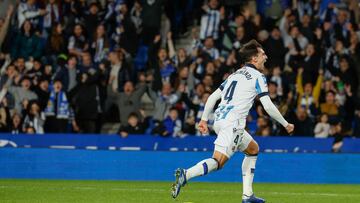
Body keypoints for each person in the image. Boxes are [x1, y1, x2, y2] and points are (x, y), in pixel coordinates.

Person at [171, 40, 294, 203]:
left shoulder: (235, 74)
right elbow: (267, 105)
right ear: (254, 59)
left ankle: (247, 195)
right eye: (263, 54)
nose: (266, 56)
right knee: (218, 162)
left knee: (253, 149)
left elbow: (213, 97)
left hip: (220, 119)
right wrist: (285, 123)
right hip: (233, 123)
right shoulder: (258, 76)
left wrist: (203, 119)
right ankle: (186, 174)